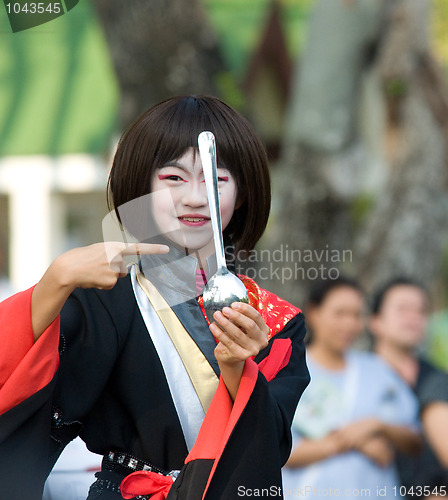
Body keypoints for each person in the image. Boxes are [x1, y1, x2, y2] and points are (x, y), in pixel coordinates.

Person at [0, 95, 310, 500]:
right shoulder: (101, 299)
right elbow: (15, 375)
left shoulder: (277, 320)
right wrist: (55, 283)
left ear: (245, 192)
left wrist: (238, 368)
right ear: (142, 188)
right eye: (174, 178)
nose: (196, 198)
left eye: (216, 179)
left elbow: (269, 447)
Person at [282, 277, 421, 499]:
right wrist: (358, 442)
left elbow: (415, 440)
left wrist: (377, 426)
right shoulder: (289, 372)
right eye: (340, 313)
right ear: (314, 312)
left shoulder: (379, 371)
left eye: (356, 315)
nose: (349, 324)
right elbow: (278, 453)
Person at [370, 277, 448, 498]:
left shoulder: (440, 381)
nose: (414, 317)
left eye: (421, 311)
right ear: (375, 321)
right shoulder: (354, 378)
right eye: (403, 309)